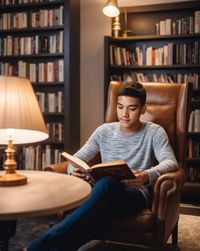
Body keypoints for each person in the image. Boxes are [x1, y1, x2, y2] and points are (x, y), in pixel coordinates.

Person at [25, 82, 178, 251]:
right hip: (103, 192)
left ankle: (38, 245)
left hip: (135, 194)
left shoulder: (154, 132)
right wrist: (73, 170)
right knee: (96, 214)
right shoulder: (104, 131)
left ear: (143, 109)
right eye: (120, 107)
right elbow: (77, 158)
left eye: (132, 108)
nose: (124, 114)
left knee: (105, 185)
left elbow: (170, 162)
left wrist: (145, 175)